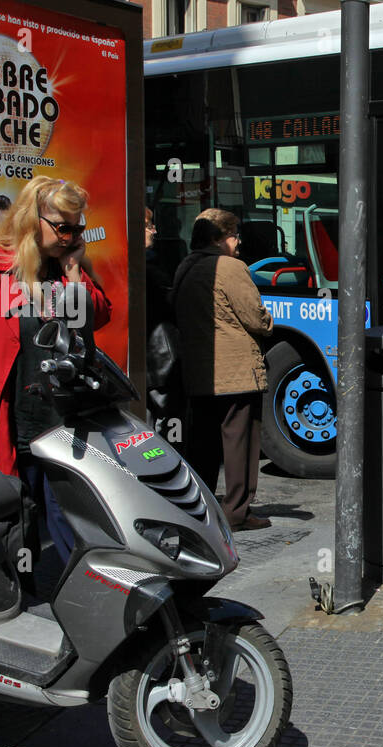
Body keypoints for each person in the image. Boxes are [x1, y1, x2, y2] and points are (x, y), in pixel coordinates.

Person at [0, 176, 111, 571]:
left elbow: (99, 316)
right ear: (31, 219)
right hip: (12, 417)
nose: (71, 237)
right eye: (63, 227)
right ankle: (16, 599)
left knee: (72, 519)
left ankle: (79, 599)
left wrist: (74, 277)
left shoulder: (66, 266)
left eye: (78, 228)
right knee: (16, 520)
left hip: (66, 420)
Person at [173, 209, 273, 532]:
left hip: (199, 372)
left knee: (202, 444)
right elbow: (255, 317)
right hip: (237, 373)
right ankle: (237, 511)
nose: (238, 241)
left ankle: (200, 506)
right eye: (233, 235)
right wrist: (269, 322)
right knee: (239, 443)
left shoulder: (184, 267)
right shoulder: (231, 268)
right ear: (219, 238)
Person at [144, 207, 184, 441]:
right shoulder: (149, 273)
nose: (155, 230)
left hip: (153, 364)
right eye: (149, 225)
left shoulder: (151, 265)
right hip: (160, 361)